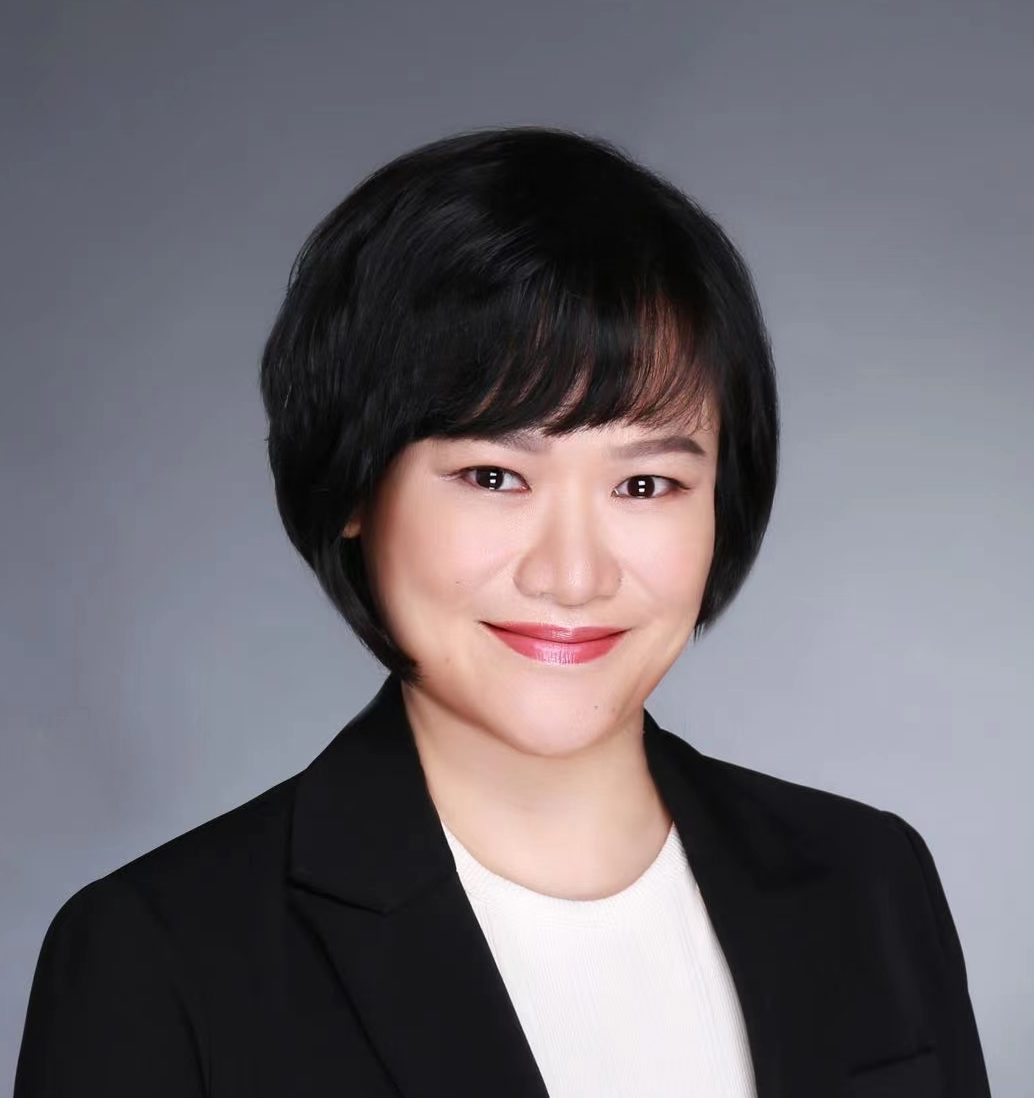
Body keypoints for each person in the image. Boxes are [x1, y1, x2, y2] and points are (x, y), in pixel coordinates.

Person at [14, 127, 991, 1098]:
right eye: (493, 475)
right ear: (354, 486)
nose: (573, 575)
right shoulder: (161, 958)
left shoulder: (870, 883)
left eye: (644, 485)